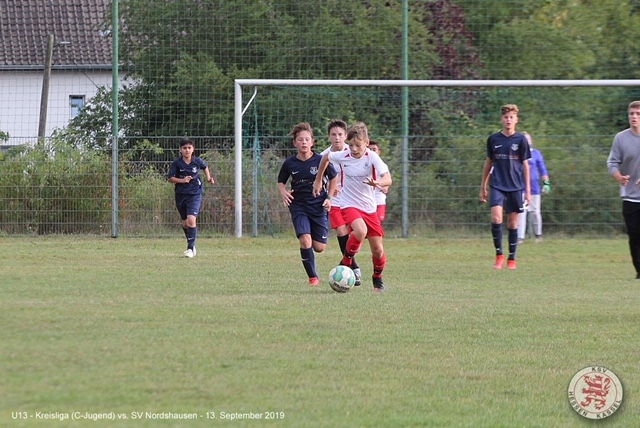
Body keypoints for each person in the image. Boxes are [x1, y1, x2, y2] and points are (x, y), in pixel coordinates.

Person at [313, 122, 392, 292]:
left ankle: (377, 277)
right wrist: (318, 180)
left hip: (369, 207)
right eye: (351, 145)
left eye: (358, 145)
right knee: (360, 231)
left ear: (366, 142)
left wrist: (377, 182)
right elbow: (325, 158)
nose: (354, 149)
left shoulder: (372, 157)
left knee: (378, 250)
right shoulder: (343, 155)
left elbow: (388, 179)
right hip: (348, 204)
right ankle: (347, 261)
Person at [278, 122, 338, 286]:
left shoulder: (320, 160)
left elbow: (334, 178)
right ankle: (313, 277)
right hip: (298, 205)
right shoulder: (289, 163)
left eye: (307, 139)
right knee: (305, 240)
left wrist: (329, 198)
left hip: (318, 205)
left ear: (312, 142)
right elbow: (281, 181)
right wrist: (283, 192)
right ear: (294, 143)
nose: (303, 142)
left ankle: (311, 236)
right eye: (300, 139)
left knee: (319, 247)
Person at [479, 104, 531, 270]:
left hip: (515, 186)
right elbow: (488, 162)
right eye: (506, 117)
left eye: (511, 117)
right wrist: (483, 185)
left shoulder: (521, 140)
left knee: (512, 222)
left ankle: (511, 258)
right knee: (496, 218)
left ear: (516, 120)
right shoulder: (493, 139)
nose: (508, 120)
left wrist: (528, 191)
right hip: (497, 184)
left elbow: (525, 166)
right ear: (501, 119)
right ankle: (499, 255)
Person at [321, 119, 362, 285]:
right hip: (335, 200)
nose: (337, 137)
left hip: (353, 200)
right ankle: (353, 267)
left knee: (357, 233)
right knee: (341, 230)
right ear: (329, 136)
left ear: (345, 136)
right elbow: (320, 177)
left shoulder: (353, 151)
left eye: (340, 134)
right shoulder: (324, 156)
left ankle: (346, 263)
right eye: (333, 134)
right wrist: (328, 187)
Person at [607, 100, 640, 279]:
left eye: (638, 114)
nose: (634, 117)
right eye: (631, 114)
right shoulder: (621, 138)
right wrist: (619, 176)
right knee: (634, 235)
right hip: (630, 196)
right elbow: (612, 163)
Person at [167, 137, 215, 258]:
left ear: (193, 149)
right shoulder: (177, 163)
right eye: (184, 148)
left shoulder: (197, 161)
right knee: (185, 223)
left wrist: (208, 178)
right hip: (181, 195)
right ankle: (191, 244)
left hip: (195, 194)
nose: (187, 150)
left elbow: (205, 167)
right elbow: (170, 178)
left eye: (189, 148)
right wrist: (182, 180)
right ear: (180, 150)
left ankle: (189, 248)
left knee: (191, 220)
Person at [517, 132, 550, 243]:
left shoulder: (536, 153)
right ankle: (520, 237)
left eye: (528, 139)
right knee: (521, 213)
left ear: (531, 141)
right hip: (521, 188)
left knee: (535, 212)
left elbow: (542, 169)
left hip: (534, 188)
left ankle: (538, 235)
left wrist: (546, 184)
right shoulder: (516, 154)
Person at [367, 140, 389, 222]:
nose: (372, 152)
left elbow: (387, 180)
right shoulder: (363, 165)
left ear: (379, 151)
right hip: (367, 198)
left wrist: (386, 187)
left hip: (379, 197)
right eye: (370, 149)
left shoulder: (383, 166)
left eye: (374, 149)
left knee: (377, 221)